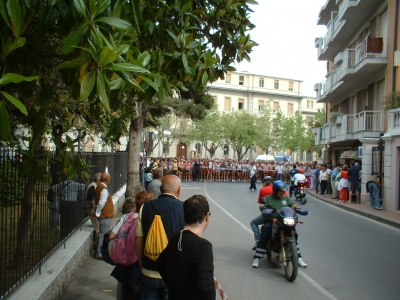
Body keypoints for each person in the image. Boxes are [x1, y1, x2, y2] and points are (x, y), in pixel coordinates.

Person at [134, 174, 185, 300]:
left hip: (149, 271)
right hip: (172, 274)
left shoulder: (145, 207)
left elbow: (138, 241)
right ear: (178, 190)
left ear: (161, 189)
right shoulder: (183, 208)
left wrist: (141, 264)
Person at [156, 195, 215, 300]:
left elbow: (160, 262)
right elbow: (206, 287)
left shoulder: (176, 237)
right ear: (206, 216)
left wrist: (173, 286)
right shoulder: (203, 246)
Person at [252, 180, 307, 268]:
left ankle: (299, 258)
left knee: (294, 235)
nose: (281, 193)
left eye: (283, 191)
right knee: (266, 232)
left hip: (284, 221)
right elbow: (262, 205)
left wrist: (298, 207)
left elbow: (292, 205)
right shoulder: (268, 198)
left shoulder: (285, 198)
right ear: (275, 190)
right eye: (280, 191)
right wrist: (264, 208)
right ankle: (257, 258)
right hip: (272, 221)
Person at [110, 192, 155, 300]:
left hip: (124, 260)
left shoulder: (127, 216)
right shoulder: (148, 219)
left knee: (126, 290)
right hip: (137, 261)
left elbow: (111, 236)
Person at [52, 175, 86, 240]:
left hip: (63, 203)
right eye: (76, 177)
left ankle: (63, 235)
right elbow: (85, 186)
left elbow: (53, 188)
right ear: (74, 178)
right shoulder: (76, 185)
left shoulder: (63, 183)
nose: (76, 179)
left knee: (64, 220)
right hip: (72, 204)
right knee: (72, 219)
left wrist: (58, 194)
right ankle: (70, 234)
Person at [94, 172, 115, 260]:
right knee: (103, 234)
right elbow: (101, 202)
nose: (110, 180)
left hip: (103, 214)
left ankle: (100, 252)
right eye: (109, 178)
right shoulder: (104, 189)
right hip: (105, 215)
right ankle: (99, 253)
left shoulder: (99, 187)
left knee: (102, 233)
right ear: (106, 179)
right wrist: (98, 212)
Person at [250, 176, 274, 250]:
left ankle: (258, 240)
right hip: (282, 215)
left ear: (265, 182)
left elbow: (261, 205)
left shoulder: (263, 190)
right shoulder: (281, 190)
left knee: (253, 223)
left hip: (269, 215)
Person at [86, 173, 101, 249]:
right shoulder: (93, 186)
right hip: (91, 209)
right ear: (98, 180)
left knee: (98, 225)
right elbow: (90, 199)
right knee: (97, 226)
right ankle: (97, 244)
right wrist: (93, 208)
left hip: (93, 208)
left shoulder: (94, 186)